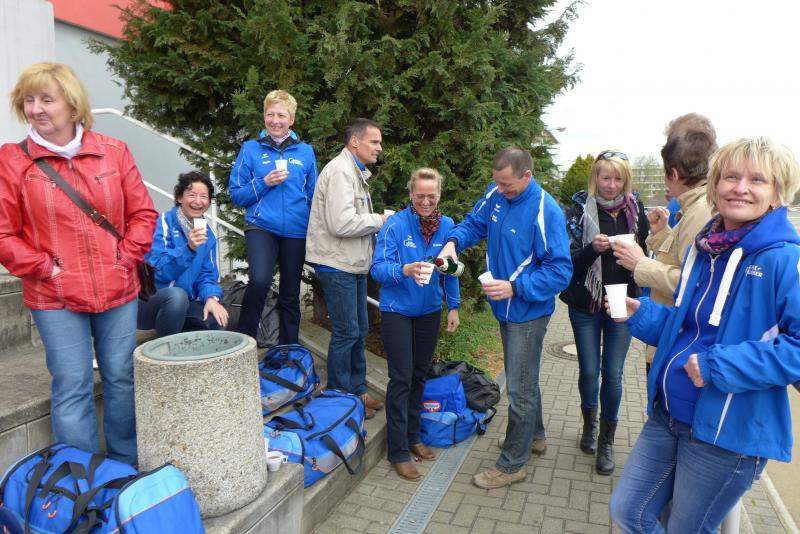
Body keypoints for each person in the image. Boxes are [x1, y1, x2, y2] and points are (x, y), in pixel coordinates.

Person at [609, 137, 800, 533]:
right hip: (668, 414)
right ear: (715, 185)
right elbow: (689, 327)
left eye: (757, 180)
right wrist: (643, 314)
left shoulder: (784, 258)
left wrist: (717, 365)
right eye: (730, 176)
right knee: (627, 511)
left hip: (725, 435)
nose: (740, 187)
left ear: (777, 193)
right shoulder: (706, 248)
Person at [0, 62, 157, 465]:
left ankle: (125, 464)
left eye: (46, 99)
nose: (36, 108)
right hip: (54, 295)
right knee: (72, 383)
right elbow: (3, 234)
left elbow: (143, 214)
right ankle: (83, 476)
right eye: (29, 100)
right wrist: (46, 269)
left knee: (121, 377)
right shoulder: (13, 161)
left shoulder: (113, 151)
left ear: (72, 105)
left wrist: (125, 258)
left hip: (118, 286)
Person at [438, 146, 571, 489]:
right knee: (523, 378)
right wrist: (453, 242)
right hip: (504, 309)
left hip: (527, 313)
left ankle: (513, 464)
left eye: (507, 185)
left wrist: (515, 287)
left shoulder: (545, 210)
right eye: (497, 183)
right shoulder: (497, 193)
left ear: (527, 175)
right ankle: (534, 437)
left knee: (520, 388)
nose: (501, 190)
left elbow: (560, 271)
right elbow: (474, 223)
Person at [560, 150, 649, 475]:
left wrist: (644, 247)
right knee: (588, 371)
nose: (611, 185)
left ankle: (607, 440)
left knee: (613, 373)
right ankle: (590, 425)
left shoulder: (636, 209)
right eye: (605, 177)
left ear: (626, 180)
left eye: (617, 179)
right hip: (585, 301)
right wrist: (591, 250)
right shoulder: (579, 209)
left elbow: (645, 254)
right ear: (595, 177)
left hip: (621, 300)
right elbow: (568, 261)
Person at [370, 167, 461, 481]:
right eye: (420, 195)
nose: (425, 201)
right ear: (410, 194)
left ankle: (413, 436)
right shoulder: (395, 225)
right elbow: (378, 269)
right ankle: (397, 451)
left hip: (429, 310)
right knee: (401, 378)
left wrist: (454, 306)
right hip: (397, 310)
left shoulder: (447, 226)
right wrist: (404, 270)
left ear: (439, 194)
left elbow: (450, 269)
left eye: (431, 196)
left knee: (419, 374)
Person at [614, 113, 716, 372]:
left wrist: (640, 264)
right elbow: (683, 259)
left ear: (673, 173)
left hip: (679, 342)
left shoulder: (701, 212)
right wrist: (662, 234)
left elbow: (696, 284)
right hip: (674, 336)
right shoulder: (694, 208)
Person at [305, 118, 388, 418]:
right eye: (374, 141)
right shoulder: (340, 171)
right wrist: (380, 220)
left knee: (359, 330)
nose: (379, 148)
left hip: (351, 264)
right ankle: (341, 398)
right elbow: (341, 223)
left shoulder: (354, 171)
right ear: (355, 142)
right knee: (346, 332)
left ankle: (358, 391)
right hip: (336, 264)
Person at [229, 90, 317, 345]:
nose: (275, 120)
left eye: (281, 115)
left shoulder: (305, 152)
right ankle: (245, 344)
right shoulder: (250, 149)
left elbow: (314, 196)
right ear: (264, 116)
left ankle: (289, 350)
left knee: (290, 293)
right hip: (261, 226)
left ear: (292, 119)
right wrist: (264, 182)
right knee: (259, 281)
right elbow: (237, 194)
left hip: (296, 230)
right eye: (270, 114)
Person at [137, 171, 229, 337]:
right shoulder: (162, 223)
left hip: (183, 305)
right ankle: (165, 349)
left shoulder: (208, 234)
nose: (198, 201)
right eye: (192, 195)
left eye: (204, 196)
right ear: (180, 197)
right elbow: (157, 272)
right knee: (177, 296)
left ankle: (186, 347)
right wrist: (189, 249)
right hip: (150, 302)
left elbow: (207, 275)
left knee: (217, 319)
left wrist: (211, 297)